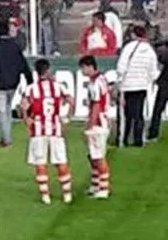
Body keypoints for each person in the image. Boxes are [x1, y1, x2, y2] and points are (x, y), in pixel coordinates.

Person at [19, 59, 75, 205]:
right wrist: (68, 117)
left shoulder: (31, 89)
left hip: (38, 129)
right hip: (55, 128)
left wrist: (26, 118)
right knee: (61, 161)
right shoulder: (58, 87)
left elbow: (23, 106)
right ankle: (67, 194)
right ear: (48, 70)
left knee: (40, 163)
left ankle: (45, 196)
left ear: (36, 72)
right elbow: (71, 101)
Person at [0, 20, 34, 147]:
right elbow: (23, 65)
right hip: (13, 83)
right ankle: (6, 135)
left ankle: (6, 139)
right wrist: (30, 82)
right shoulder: (15, 46)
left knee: (1, 111)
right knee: (7, 107)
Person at [116, 24, 159, 147]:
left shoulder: (129, 47)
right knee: (138, 114)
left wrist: (120, 80)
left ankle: (123, 139)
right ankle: (138, 139)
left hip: (127, 86)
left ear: (134, 34)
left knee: (125, 115)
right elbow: (153, 70)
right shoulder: (150, 50)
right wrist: (147, 82)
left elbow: (121, 67)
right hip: (142, 86)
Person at [79, 55, 112, 198]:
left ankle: (104, 188)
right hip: (103, 119)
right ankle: (95, 184)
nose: (81, 71)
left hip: (99, 122)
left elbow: (97, 105)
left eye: (82, 68)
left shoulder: (95, 84)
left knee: (98, 156)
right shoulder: (101, 80)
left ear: (89, 66)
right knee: (92, 155)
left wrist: (90, 125)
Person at [148, 42, 168, 141]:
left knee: (158, 110)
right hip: (164, 83)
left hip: (165, 84)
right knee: (157, 110)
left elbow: (162, 59)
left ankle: (153, 134)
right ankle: (153, 133)